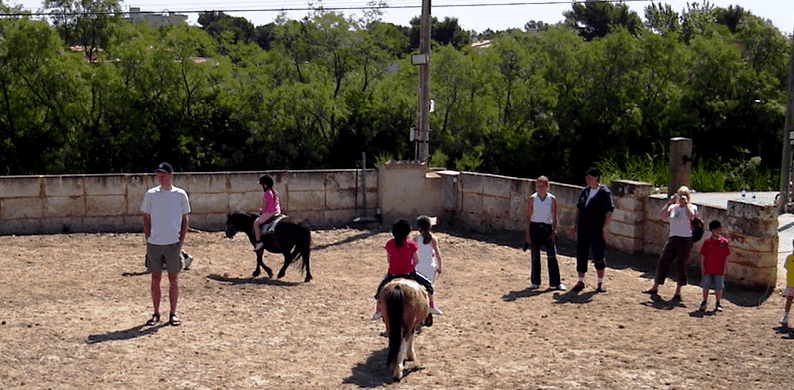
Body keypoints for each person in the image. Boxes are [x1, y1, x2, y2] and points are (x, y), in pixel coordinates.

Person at [141, 162, 191, 326]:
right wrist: (148, 238)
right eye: (159, 174)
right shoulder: (151, 194)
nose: (161, 177)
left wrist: (181, 240)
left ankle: (173, 313)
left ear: (171, 175)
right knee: (155, 278)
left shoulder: (180, 195)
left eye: (164, 174)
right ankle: (156, 312)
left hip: (173, 243)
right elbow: (146, 217)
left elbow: (185, 218)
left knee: (173, 278)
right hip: (154, 243)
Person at [372, 219, 442, 320]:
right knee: (428, 285)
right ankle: (431, 306)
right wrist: (410, 267)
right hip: (409, 273)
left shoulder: (390, 243)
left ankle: (378, 311)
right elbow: (416, 260)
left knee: (379, 291)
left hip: (393, 274)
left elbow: (389, 260)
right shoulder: (411, 244)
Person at [642, 186, 698, 302]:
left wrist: (686, 204)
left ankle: (678, 292)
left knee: (681, 265)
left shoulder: (692, 207)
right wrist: (669, 203)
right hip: (673, 238)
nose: (681, 198)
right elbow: (662, 215)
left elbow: (692, 216)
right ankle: (655, 286)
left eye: (684, 195)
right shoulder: (673, 207)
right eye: (680, 195)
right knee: (663, 261)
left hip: (685, 239)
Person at [568, 167, 614, 292]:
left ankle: (600, 282)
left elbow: (609, 211)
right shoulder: (585, 191)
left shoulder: (604, 192)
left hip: (597, 228)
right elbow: (578, 209)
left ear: (596, 177)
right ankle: (580, 280)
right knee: (581, 252)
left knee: (598, 253)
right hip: (583, 227)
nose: (588, 180)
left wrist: (605, 229)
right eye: (586, 177)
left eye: (590, 177)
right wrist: (574, 225)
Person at [525, 176, 565, 290]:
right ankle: (535, 281)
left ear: (547, 187)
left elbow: (554, 217)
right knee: (535, 255)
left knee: (552, 255)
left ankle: (556, 282)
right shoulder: (532, 198)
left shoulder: (552, 199)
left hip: (547, 228)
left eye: (542, 186)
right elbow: (528, 217)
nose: (540, 189)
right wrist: (527, 234)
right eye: (538, 186)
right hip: (535, 227)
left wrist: (554, 231)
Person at [698, 220, 730, 312]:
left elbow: (726, 256)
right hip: (708, 268)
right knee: (706, 286)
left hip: (719, 268)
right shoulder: (707, 241)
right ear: (712, 231)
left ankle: (718, 302)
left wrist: (725, 268)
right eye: (716, 230)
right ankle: (704, 301)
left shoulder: (724, 242)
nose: (718, 232)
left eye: (719, 230)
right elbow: (703, 255)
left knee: (719, 287)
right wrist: (703, 267)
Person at [253, 174, 281, 251]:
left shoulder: (266, 194)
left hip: (270, 213)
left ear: (265, 185)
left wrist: (260, 210)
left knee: (256, 223)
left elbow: (264, 208)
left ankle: (258, 242)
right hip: (278, 211)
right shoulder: (275, 192)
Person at [415, 215, 443, 284]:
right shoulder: (433, 239)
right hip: (430, 268)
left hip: (419, 268)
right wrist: (439, 267)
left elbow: (412, 255)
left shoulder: (416, 239)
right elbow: (437, 255)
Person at [781, 239, 794, 326]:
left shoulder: (789, 257)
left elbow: (786, 267)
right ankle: (785, 317)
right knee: (789, 299)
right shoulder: (789, 257)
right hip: (791, 282)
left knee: (789, 299)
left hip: (790, 282)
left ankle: (785, 316)